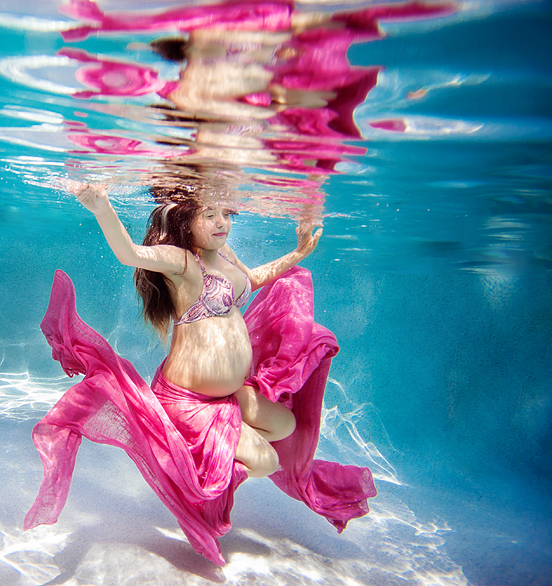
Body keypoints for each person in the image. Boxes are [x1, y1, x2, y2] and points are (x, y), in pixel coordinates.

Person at [24, 181, 376, 566]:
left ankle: (220, 440)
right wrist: (101, 207)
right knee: (266, 462)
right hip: (187, 402)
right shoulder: (183, 263)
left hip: (226, 395)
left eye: (226, 213)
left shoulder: (224, 253)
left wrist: (297, 253)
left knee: (288, 425)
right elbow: (129, 254)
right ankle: (193, 469)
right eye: (210, 215)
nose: (222, 222)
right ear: (185, 221)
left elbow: (251, 281)